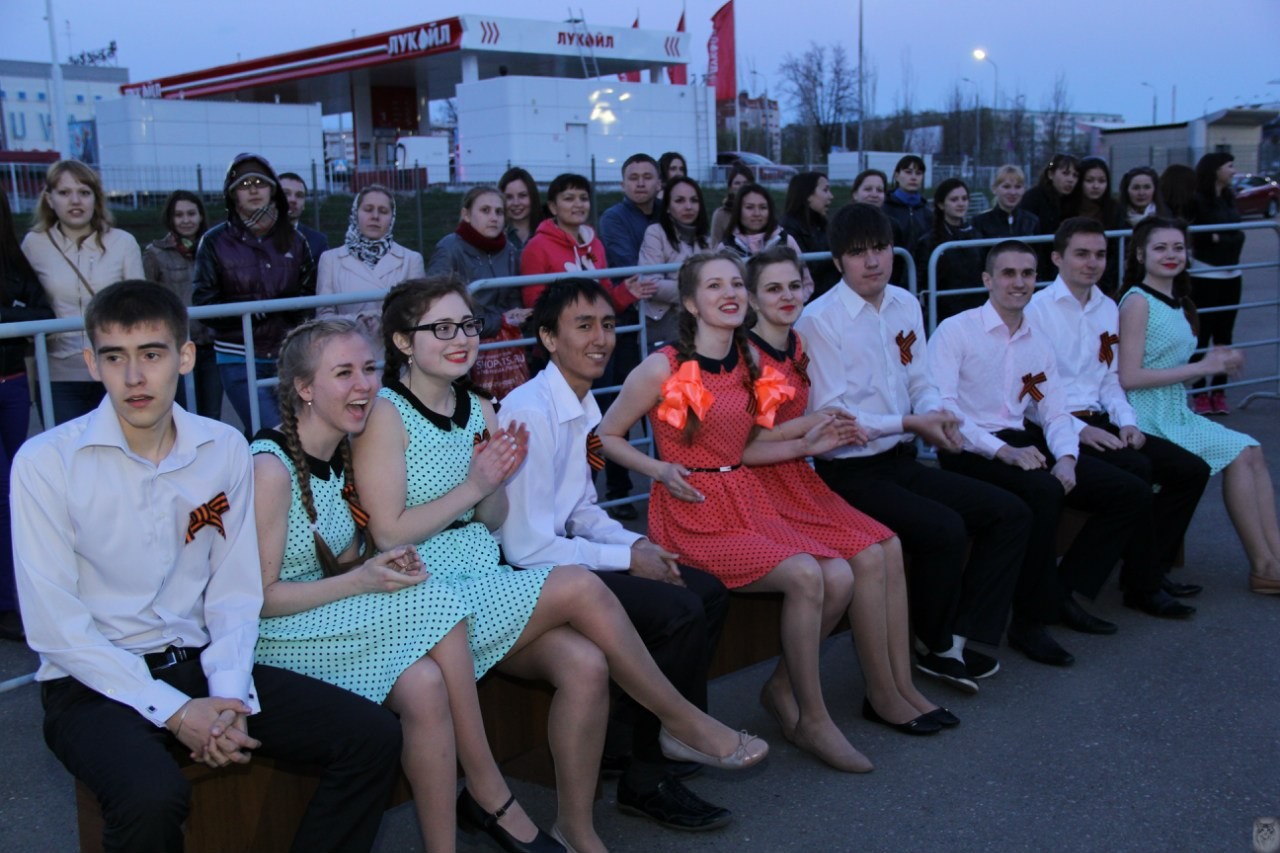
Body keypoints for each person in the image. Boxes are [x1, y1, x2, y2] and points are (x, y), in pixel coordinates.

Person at [354, 277, 767, 853]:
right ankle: (680, 721)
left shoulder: (478, 407)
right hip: (423, 588)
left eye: (468, 326)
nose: (461, 339)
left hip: (482, 574)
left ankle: (575, 826)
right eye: (441, 329)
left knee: (586, 664)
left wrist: (490, 485)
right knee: (579, 584)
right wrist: (477, 483)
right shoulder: (386, 414)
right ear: (402, 341)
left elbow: (494, 519)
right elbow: (386, 531)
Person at [12, 280, 402, 853]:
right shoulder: (46, 463)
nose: (135, 377)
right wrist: (176, 713)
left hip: (199, 662)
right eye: (115, 357)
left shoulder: (222, 447)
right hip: (92, 684)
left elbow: (234, 592)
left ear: (186, 356)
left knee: (372, 738)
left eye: (152, 354)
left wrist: (228, 695)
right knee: (151, 796)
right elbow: (57, 630)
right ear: (92, 363)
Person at [599, 250, 949, 776]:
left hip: (743, 496)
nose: (730, 294)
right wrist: (657, 469)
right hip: (690, 510)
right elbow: (603, 436)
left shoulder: (749, 362)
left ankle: (790, 693)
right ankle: (812, 717)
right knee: (811, 573)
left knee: (838, 571)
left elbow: (749, 445)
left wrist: (815, 433)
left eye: (736, 283)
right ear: (691, 303)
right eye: (714, 286)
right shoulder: (665, 366)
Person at [252, 317, 555, 853]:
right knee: (434, 598)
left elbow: (342, 563)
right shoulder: (269, 469)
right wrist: (366, 580)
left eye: (369, 369)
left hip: (321, 621)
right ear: (304, 389)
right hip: (273, 638)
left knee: (424, 685)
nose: (365, 384)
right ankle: (486, 785)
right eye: (343, 373)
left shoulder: (338, 455)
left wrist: (383, 566)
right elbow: (259, 601)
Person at [498, 279, 733, 832]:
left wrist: (636, 544)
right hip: (527, 573)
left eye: (607, 324)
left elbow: (580, 509)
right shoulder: (528, 410)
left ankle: (631, 745)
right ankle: (651, 774)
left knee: (705, 590)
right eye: (584, 326)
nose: (601, 338)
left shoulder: (583, 398)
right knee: (676, 611)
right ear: (548, 339)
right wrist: (626, 562)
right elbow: (526, 545)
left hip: (564, 555)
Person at [797, 204, 1025, 691]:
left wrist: (934, 415)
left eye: (879, 248)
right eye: (857, 253)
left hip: (903, 456)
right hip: (848, 472)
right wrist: (912, 421)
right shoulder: (819, 320)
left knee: (1009, 511)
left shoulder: (905, 303)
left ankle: (959, 636)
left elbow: (919, 379)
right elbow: (836, 416)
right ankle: (936, 644)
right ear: (837, 261)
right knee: (944, 528)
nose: (872, 261)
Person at [927, 240, 1151, 667]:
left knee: (1131, 491)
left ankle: (1062, 593)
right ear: (987, 280)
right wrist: (1003, 453)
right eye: (1008, 274)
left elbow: (1053, 410)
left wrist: (1067, 455)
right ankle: (1030, 623)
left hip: (1018, 441)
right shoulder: (956, 331)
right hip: (968, 447)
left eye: (1027, 274)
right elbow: (945, 412)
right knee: (1042, 493)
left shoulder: (1036, 340)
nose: (1019, 283)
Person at [1025, 217, 1206, 614]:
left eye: (1100, 254)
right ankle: (1104, 588)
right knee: (1135, 476)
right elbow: (1029, 394)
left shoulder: (1107, 308)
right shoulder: (1036, 310)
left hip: (1101, 419)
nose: (1092, 263)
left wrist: (1127, 421)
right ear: (1057, 258)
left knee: (1190, 470)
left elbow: (1109, 378)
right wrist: (1080, 429)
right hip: (1053, 426)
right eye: (1081, 254)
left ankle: (1149, 572)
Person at [1118, 217, 1280, 595]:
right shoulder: (1137, 302)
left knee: (1251, 450)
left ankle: (1274, 558)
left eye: (1178, 247)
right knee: (1241, 452)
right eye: (1160, 248)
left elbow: (1174, 371)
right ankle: (1263, 565)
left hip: (1174, 410)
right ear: (1141, 254)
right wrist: (1203, 366)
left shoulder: (1178, 302)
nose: (1171, 255)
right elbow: (1128, 377)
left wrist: (1216, 362)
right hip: (1147, 416)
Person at [193, 152, 316, 434]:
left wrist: (282, 307)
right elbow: (204, 303)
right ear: (233, 194)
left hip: (286, 354)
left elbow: (308, 296)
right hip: (239, 356)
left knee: (296, 436)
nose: (253, 190)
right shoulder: (214, 241)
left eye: (260, 183)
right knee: (274, 433)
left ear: (272, 189)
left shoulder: (296, 240)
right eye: (245, 185)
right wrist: (252, 308)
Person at [21, 159, 143, 424]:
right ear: (49, 199)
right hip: (58, 373)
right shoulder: (34, 244)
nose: (75, 200)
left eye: (84, 192)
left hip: (118, 370)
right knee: (68, 457)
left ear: (96, 199)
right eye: (64, 193)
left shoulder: (123, 243)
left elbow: (140, 309)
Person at [597, 155, 665, 515]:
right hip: (626, 326)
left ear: (659, 182)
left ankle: (668, 485)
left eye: (647, 177)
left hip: (664, 324)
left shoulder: (667, 214)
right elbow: (632, 271)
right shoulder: (612, 219)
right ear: (623, 183)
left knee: (668, 410)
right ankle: (618, 489)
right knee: (621, 407)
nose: (640, 183)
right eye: (633, 177)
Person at [0, 190, 53, 642]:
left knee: (12, 494)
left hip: (12, 382)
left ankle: (12, 602)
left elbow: (41, 309)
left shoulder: (11, 256)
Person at [428, 186, 527, 400]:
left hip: (504, 349)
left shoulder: (508, 250)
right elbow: (439, 307)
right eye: (485, 210)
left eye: (499, 212)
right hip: (461, 349)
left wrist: (515, 317)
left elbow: (513, 297)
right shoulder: (449, 248)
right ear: (466, 215)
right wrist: (499, 321)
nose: (494, 218)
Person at [143, 190, 223, 419]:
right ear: (170, 218)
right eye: (179, 215)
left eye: (191, 213)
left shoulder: (214, 248)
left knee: (211, 414)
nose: (186, 220)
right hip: (176, 346)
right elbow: (148, 297)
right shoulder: (155, 253)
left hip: (210, 344)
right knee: (181, 413)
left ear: (200, 216)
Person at [317, 183, 425, 352]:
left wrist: (383, 320)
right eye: (368, 209)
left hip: (393, 356)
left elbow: (417, 312)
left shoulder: (411, 260)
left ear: (392, 217)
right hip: (347, 353)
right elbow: (323, 316)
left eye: (383, 211)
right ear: (355, 213)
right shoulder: (330, 259)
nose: (375, 216)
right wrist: (358, 320)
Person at [1187, 152, 1245, 415]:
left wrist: (1221, 238)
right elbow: (1198, 239)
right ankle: (1199, 393)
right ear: (1214, 170)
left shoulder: (1229, 198)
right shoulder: (1198, 201)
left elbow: (1239, 236)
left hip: (1232, 275)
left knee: (1225, 336)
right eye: (1229, 166)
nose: (1233, 171)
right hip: (1205, 275)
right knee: (1203, 335)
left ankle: (1218, 392)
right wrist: (1220, 238)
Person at [637, 176, 711, 347]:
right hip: (662, 322)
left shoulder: (706, 240)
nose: (688, 206)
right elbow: (651, 285)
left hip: (700, 322)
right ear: (668, 207)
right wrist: (700, 292)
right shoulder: (655, 232)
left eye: (694, 200)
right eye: (679, 200)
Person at [717, 183, 812, 297]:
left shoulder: (785, 241)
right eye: (749, 207)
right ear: (738, 210)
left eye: (763, 207)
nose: (757, 213)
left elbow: (805, 282)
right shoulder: (727, 247)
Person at [913, 177, 983, 323]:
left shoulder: (976, 235)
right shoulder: (928, 241)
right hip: (943, 314)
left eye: (964, 199)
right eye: (954, 199)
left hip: (974, 310)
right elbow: (920, 281)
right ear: (941, 204)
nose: (961, 203)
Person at [1019, 154, 1081, 281]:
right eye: (1065, 173)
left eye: (1075, 176)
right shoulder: (1032, 198)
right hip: (1039, 266)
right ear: (1051, 174)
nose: (1071, 180)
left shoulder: (1075, 201)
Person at [779, 172, 839, 297]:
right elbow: (807, 268)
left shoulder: (824, 225)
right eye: (825, 190)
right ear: (807, 195)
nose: (831, 196)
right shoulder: (789, 228)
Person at [1072, 157, 1120, 294]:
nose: (1096, 186)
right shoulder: (1068, 208)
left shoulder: (1115, 209)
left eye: (1101, 181)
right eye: (1089, 180)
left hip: (1107, 279)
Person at [882, 155, 932, 265]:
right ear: (897, 176)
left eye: (918, 173)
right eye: (908, 172)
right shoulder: (884, 208)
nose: (914, 177)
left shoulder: (928, 212)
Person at [972, 165, 1040, 241]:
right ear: (994, 188)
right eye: (1006, 187)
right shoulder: (980, 222)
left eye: (1018, 187)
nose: (1013, 192)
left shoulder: (1032, 221)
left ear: (1024, 189)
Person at [279, 172, 329, 264]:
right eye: (286, 193)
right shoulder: (256, 236)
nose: (293, 200)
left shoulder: (317, 241)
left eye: (299, 195)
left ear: (304, 204)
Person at [710, 161, 754, 247]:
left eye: (746, 183)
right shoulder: (721, 215)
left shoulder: (759, 212)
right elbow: (715, 245)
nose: (741, 187)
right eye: (737, 183)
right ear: (730, 187)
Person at [499, 167, 542, 253]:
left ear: (532, 196)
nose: (516, 203)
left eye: (522, 195)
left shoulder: (548, 233)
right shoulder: (494, 235)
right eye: (509, 197)